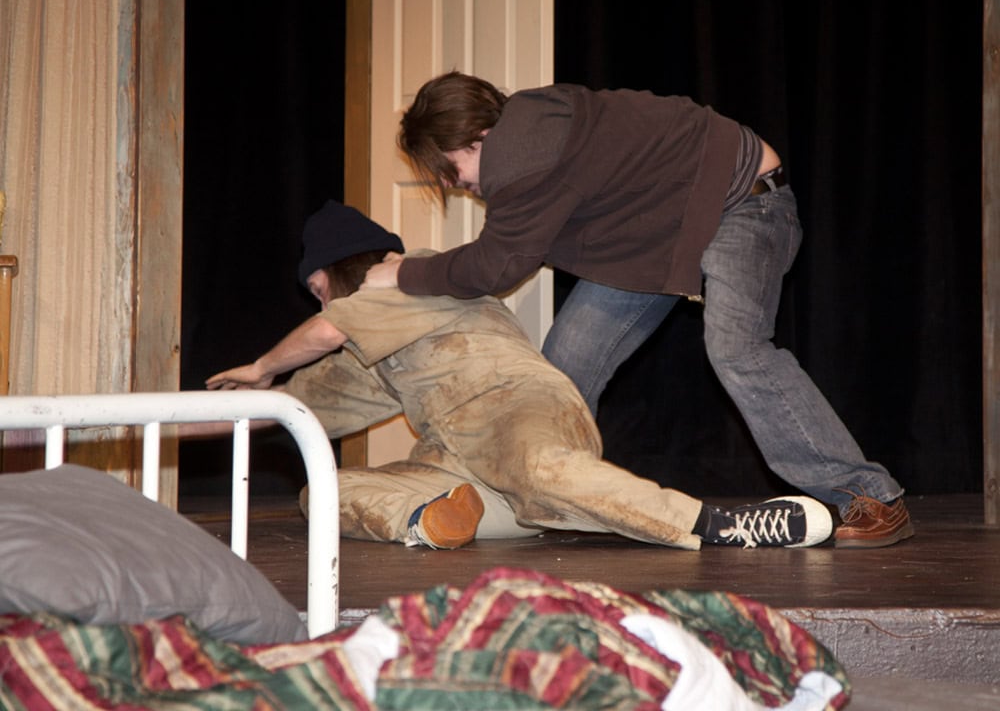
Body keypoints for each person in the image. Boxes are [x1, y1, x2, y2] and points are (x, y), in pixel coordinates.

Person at [363, 71, 913, 549]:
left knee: (737, 349)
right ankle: (538, 498)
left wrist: (402, 273)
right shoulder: (532, 126)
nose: (453, 184)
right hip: (663, 237)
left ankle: (869, 495)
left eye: (449, 167)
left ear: (478, 137)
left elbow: (495, 266)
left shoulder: (521, 150)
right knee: (564, 370)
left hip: (745, 202)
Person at [196, 199, 833, 551]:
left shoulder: (411, 276)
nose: (319, 302)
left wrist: (260, 367)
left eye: (319, 288)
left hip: (520, 412)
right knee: (323, 492)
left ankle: (719, 525)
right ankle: (429, 519)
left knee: (539, 470)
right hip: (463, 471)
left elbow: (328, 331)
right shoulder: (373, 355)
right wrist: (177, 421)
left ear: (349, 266)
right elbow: (292, 409)